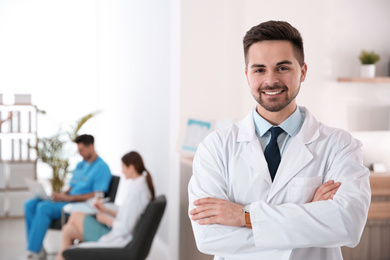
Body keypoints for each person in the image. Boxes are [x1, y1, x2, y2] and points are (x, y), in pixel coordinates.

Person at [188, 20, 371, 260]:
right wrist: (311, 216)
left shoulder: (339, 145)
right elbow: (209, 237)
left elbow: (348, 224)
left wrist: (244, 217)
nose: (270, 80)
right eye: (259, 69)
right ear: (247, 75)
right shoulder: (215, 147)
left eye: (283, 68)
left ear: (303, 72)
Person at [24, 134, 112, 260]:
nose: (80, 153)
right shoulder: (81, 165)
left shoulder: (101, 167)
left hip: (78, 205)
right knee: (30, 204)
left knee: (43, 207)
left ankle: (33, 252)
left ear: (91, 146)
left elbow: (98, 194)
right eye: (78, 150)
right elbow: (71, 186)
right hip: (66, 200)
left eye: (82, 150)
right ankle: (37, 247)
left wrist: (69, 198)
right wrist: (62, 195)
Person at [55, 151, 155, 260]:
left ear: (131, 167)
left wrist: (105, 219)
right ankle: (62, 257)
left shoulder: (137, 192)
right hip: (117, 232)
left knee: (75, 215)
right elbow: (126, 215)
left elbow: (125, 228)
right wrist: (105, 209)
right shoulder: (139, 187)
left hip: (119, 238)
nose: (122, 171)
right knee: (68, 230)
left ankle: (65, 256)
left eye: (123, 167)